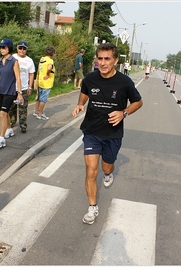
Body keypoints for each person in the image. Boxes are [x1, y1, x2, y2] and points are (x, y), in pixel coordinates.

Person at [72, 42, 143, 225]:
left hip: (113, 133)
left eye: (107, 59)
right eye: (100, 59)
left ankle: (109, 173)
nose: (102, 63)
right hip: (92, 131)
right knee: (90, 170)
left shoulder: (124, 82)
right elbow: (84, 93)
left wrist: (124, 113)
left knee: (106, 167)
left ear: (116, 60)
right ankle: (92, 207)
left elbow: (138, 102)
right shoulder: (90, 78)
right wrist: (81, 104)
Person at [0, 38, 23, 148]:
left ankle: (1, 138)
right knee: (5, 113)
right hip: (0, 91)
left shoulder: (14, 61)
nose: (1, 49)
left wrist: (19, 93)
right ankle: (9, 129)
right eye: (0, 47)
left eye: (4, 47)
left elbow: (18, 78)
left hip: (10, 91)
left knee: (2, 114)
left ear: (9, 48)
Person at [9, 41, 35, 133]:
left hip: (24, 87)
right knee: (11, 107)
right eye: (20, 48)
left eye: (24, 48)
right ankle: (12, 122)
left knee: (23, 107)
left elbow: (31, 74)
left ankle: (23, 125)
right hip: (12, 87)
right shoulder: (12, 58)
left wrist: (30, 87)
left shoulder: (29, 60)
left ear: (26, 50)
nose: (22, 50)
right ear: (17, 48)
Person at [34, 46, 56, 120]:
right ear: (52, 54)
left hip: (41, 81)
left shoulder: (42, 59)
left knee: (39, 98)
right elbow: (49, 68)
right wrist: (47, 74)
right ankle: (40, 114)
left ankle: (36, 111)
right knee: (43, 99)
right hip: (47, 83)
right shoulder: (50, 60)